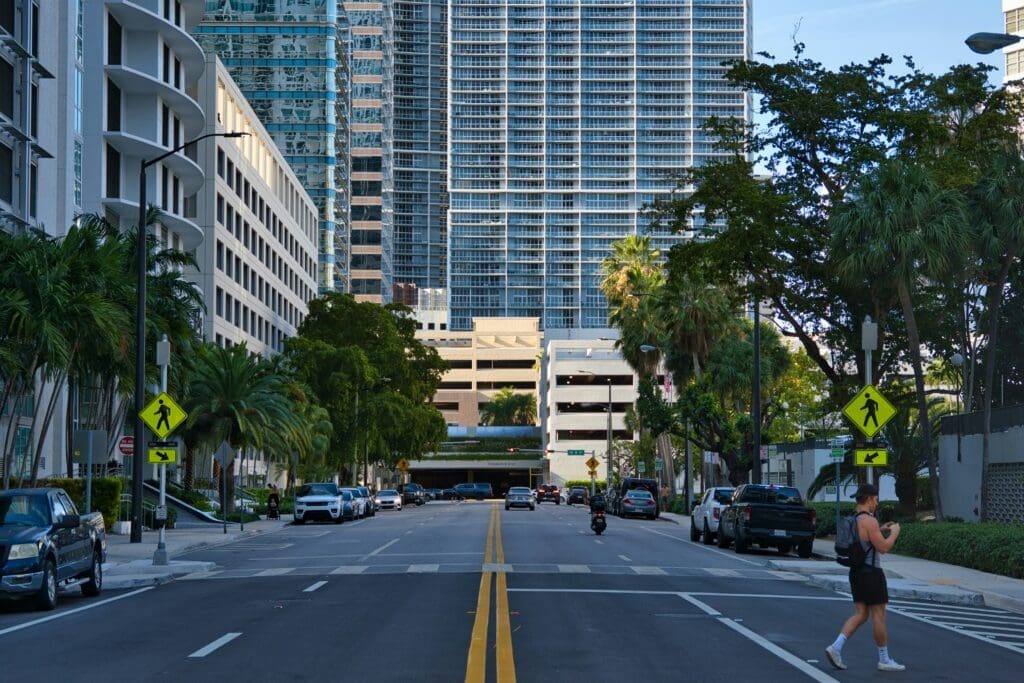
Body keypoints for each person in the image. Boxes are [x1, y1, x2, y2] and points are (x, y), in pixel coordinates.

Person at [825, 483, 903, 672]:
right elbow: (883, 548)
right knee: (879, 614)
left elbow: (866, 540)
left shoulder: (854, 518)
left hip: (856, 572)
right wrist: (894, 533)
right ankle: (884, 659)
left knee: (861, 614)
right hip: (871, 573)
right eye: (876, 499)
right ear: (869, 498)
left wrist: (881, 529)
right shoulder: (869, 521)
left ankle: (836, 647)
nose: (877, 503)